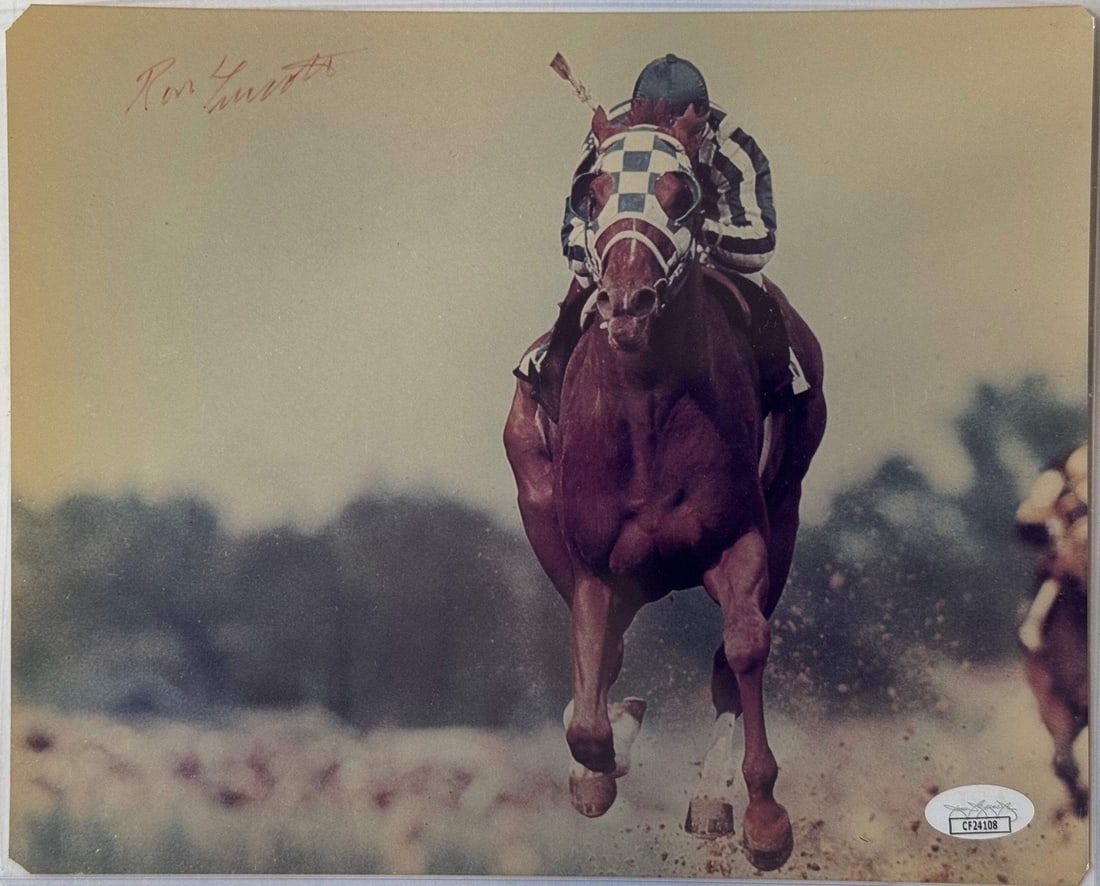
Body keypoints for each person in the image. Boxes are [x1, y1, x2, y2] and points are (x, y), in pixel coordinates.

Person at [517, 54, 807, 419]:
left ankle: (783, 386)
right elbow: (573, 237)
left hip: (713, 253)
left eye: (685, 131)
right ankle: (551, 372)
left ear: (702, 123)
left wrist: (692, 232)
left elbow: (760, 241)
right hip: (630, 248)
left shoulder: (734, 149)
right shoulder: (607, 144)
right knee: (577, 297)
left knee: (764, 304)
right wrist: (615, 248)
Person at [1017, 444, 1088, 652]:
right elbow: (1027, 516)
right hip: (1067, 554)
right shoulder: (1055, 480)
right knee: (1054, 579)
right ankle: (1033, 624)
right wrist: (1056, 510)